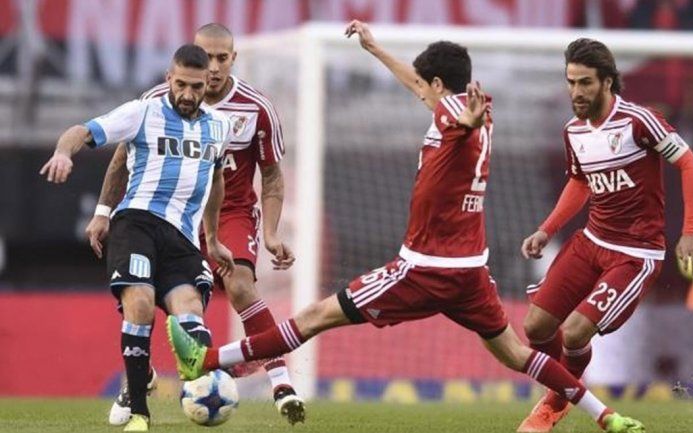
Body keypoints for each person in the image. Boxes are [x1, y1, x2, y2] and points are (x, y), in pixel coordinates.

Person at [166, 21, 646, 433]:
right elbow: (433, 95)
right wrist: (375, 49)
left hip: (422, 269)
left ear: (438, 84)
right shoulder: (474, 108)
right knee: (516, 354)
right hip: (471, 271)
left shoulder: (459, 113)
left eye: (424, 83)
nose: (419, 89)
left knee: (314, 318)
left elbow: (459, 117)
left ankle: (206, 360)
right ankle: (605, 416)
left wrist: (467, 120)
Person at [84, 23, 305, 426]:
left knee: (239, 283)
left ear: (233, 59)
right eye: (208, 56)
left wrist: (271, 233)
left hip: (230, 211)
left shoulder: (256, 108)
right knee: (145, 298)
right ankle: (141, 379)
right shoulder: (157, 100)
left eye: (223, 58)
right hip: (167, 213)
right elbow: (121, 157)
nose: (215, 66)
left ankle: (281, 383)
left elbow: (272, 175)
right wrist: (102, 210)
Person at [40, 44, 235, 432]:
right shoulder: (143, 112)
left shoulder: (220, 126)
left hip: (182, 237)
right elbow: (83, 131)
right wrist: (65, 154)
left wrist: (212, 238)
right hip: (136, 223)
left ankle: (146, 377)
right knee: (141, 303)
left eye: (195, 87)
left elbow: (215, 179)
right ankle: (140, 412)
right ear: (168, 78)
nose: (187, 94)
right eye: (180, 84)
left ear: (205, 87)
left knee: (191, 319)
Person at [517, 38, 693, 433]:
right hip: (591, 241)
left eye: (585, 83)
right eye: (571, 82)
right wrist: (546, 228)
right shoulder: (573, 131)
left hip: (634, 253)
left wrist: (690, 231)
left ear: (607, 82)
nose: (576, 92)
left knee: (573, 331)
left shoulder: (640, 120)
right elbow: (579, 183)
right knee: (535, 328)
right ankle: (568, 386)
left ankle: (555, 403)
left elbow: (689, 165)